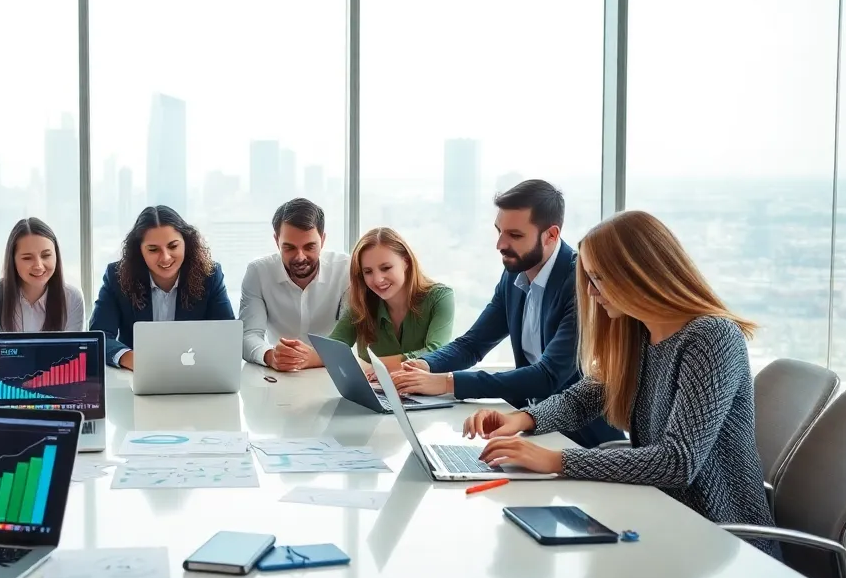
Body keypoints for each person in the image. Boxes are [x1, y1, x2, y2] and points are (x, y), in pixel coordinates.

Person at [461, 210, 778, 556]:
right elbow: (582, 399)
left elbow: (677, 461)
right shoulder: (639, 332)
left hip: (719, 539)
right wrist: (521, 420)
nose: (592, 292)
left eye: (599, 278)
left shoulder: (711, 337)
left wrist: (556, 461)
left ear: (640, 274)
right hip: (657, 515)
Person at [390, 179, 623, 448]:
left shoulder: (581, 283)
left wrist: (446, 383)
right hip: (532, 430)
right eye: (499, 231)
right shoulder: (515, 273)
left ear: (551, 235)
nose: (500, 244)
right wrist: (424, 366)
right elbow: (473, 344)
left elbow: (548, 376)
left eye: (515, 235)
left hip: (583, 440)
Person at [89, 205, 234, 369]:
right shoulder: (117, 277)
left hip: (195, 374)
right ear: (139, 251)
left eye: (173, 246)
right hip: (136, 377)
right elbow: (98, 337)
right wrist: (131, 359)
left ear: (187, 243)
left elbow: (226, 335)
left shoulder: (210, 275)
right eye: (153, 249)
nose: (165, 258)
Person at [239, 198, 350, 372]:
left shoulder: (345, 270)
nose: (300, 257)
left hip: (331, 372)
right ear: (277, 241)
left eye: (309, 247)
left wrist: (311, 358)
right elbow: (248, 335)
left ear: (323, 239)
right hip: (280, 373)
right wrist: (270, 355)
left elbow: (347, 338)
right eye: (289, 248)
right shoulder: (258, 272)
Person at [326, 227, 453, 374]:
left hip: (427, 394)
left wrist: (375, 367)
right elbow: (332, 348)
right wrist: (298, 355)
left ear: (406, 262)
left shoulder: (440, 297)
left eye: (386, 268)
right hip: (375, 393)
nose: (378, 279)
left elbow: (436, 352)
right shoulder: (362, 301)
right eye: (368, 272)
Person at [0, 217, 85, 332]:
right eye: (27, 258)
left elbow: (73, 348)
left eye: (46, 256)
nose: (38, 266)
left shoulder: (72, 298)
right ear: (12, 260)